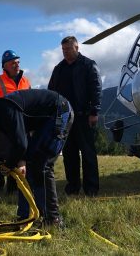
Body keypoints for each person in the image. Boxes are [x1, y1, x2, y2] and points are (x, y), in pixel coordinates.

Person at [0, 89, 73, 226]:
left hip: (60, 111)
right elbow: (19, 141)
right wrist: (19, 162)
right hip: (48, 118)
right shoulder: (0, 116)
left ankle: (53, 219)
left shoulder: (6, 109)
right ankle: (24, 217)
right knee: (29, 166)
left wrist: (10, 164)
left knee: (42, 165)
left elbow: (21, 144)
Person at [48, 35, 102, 197]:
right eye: (63, 50)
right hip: (65, 119)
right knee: (69, 155)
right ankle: (72, 188)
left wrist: (94, 112)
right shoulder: (59, 68)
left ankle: (91, 189)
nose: (65, 52)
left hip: (84, 116)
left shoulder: (88, 65)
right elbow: (52, 92)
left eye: (68, 49)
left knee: (88, 154)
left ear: (77, 48)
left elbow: (96, 90)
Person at [0, 49, 31, 194]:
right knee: (3, 156)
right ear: (5, 66)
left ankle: (13, 189)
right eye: (12, 63)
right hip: (4, 126)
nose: (16, 65)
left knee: (19, 155)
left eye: (18, 62)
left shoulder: (26, 81)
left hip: (22, 125)